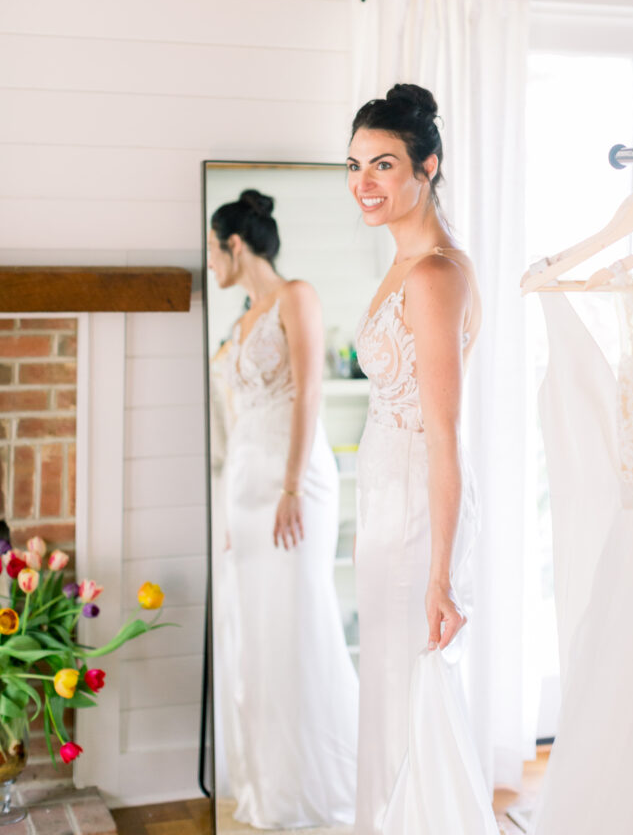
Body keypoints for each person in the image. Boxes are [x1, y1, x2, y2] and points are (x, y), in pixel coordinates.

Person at [348, 85, 499, 835]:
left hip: (414, 510)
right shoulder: (400, 263)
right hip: (380, 503)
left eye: (382, 165)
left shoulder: (434, 275)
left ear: (426, 167)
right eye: (354, 166)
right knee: (382, 684)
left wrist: (441, 574)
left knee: (407, 689)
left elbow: (444, 434)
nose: (363, 183)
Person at [207, 188, 358, 830]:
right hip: (244, 489)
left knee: (298, 624)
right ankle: (269, 783)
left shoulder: (297, 296)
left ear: (235, 245)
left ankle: (322, 783)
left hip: (295, 485)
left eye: (213, 252)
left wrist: (292, 486)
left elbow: (309, 395)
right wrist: (232, 510)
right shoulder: (240, 318)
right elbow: (237, 416)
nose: (211, 265)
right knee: (257, 635)